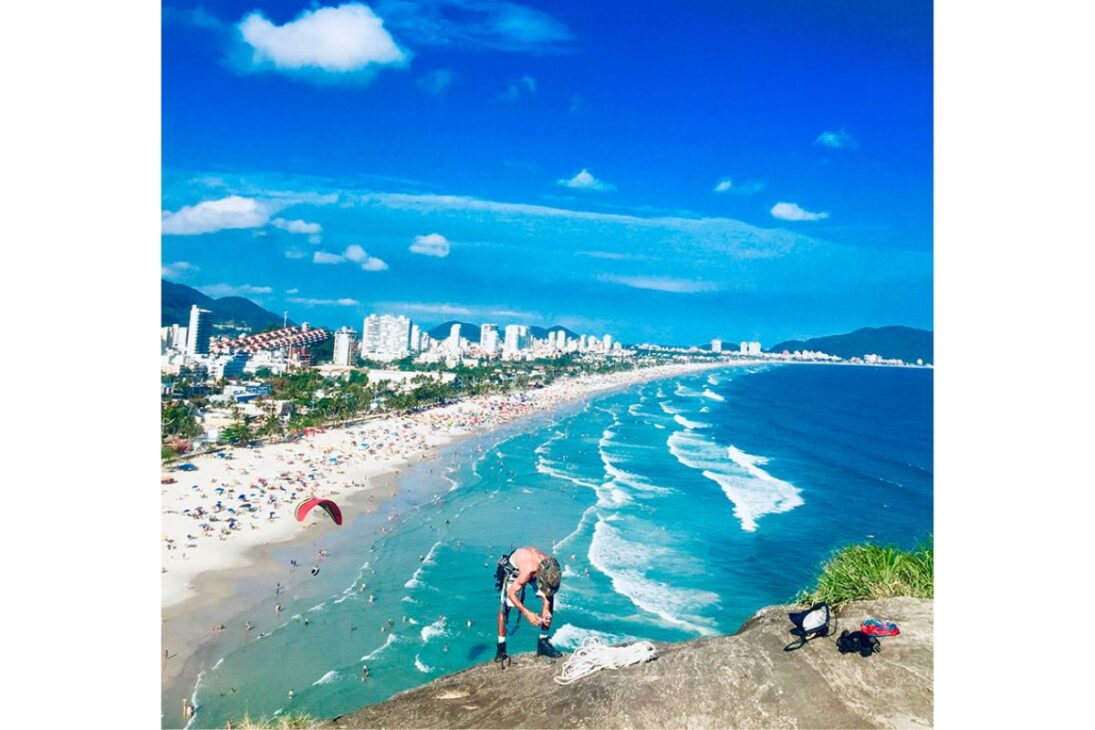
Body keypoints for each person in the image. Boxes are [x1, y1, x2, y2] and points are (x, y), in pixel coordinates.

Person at [494, 546, 563, 661]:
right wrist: (527, 613)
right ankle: (501, 647)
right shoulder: (528, 571)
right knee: (505, 608)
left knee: (550, 598)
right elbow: (511, 593)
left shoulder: (552, 567)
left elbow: (549, 590)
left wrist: (546, 608)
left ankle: (543, 642)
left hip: (539, 570)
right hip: (515, 570)